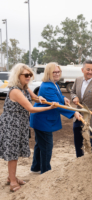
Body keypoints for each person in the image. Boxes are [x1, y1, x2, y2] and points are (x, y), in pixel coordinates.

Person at [0, 63, 56, 192]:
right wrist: (49, 107)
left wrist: (40, 98)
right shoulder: (15, 90)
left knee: (16, 151)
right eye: (26, 75)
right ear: (17, 75)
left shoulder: (24, 88)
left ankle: (11, 176)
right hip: (12, 125)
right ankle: (13, 181)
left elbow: (34, 98)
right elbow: (30, 108)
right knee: (13, 153)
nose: (29, 77)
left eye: (30, 74)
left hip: (20, 123)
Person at [30, 62, 81, 174]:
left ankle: (36, 167)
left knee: (40, 144)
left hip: (41, 119)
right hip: (43, 120)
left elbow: (57, 96)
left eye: (58, 71)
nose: (57, 74)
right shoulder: (48, 86)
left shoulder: (53, 83)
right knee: (47, 146)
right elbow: (57, 105)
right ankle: (46, 172)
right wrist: (74, 113)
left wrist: (64, 98)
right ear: (49, 73)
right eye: (54, 72)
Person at [71, 60, 92, 157]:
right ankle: (79, 161)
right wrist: (74, 97)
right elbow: (72, 92)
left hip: (91, 119)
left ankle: (91, 163)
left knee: (91, 144)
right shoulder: (78, 80)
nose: (90, 72)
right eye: (88, 69)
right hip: (78, 116)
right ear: (82, 70)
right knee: (78, 142)